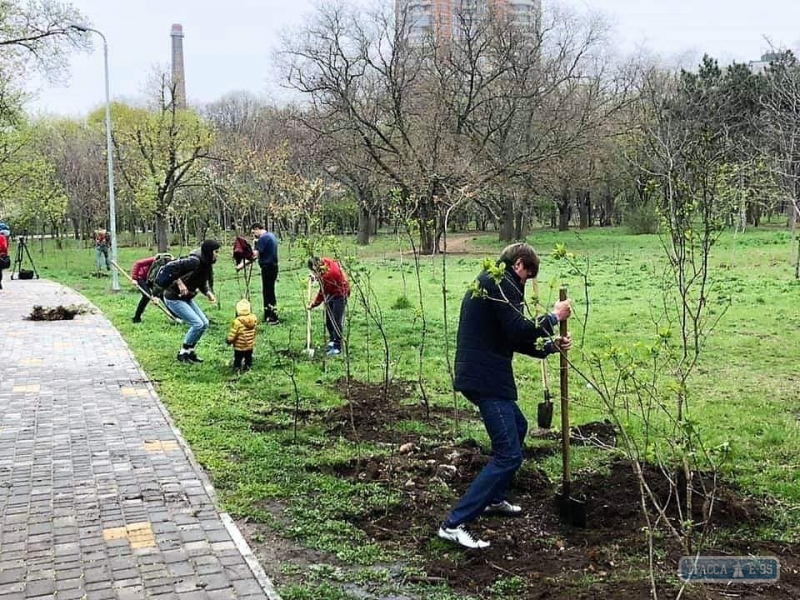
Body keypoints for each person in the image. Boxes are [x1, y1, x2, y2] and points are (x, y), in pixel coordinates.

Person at [437, 243, 573, 550]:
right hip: (485, 378)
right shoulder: (498, 283)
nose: (526, 284)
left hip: (485, 373)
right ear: (520, 265)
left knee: (519, 427)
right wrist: (553, 316)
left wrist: (550, 347)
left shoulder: (495, 281)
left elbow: (512, 336)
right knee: (508, 454)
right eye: (528, 277)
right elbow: (518, 330)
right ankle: (454, 523)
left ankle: (494, 499)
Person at [159, 240, 220, 363]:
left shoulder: (206, 263)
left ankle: (190, 351)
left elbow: (201, 280)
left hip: (186, 297)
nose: (217, 255)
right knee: (197, 324)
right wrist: (180, 283)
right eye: (216, 252)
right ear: (209, 251)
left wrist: (207, 293)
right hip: (173, 296)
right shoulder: (194, 261)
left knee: (205, 323)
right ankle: (182, 353)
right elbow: (170, 266)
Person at [307, 256, 350, 356]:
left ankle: (337, 347)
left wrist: (313, 305)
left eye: (314, 271)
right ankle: (332, 340)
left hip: (340, 293)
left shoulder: (327, 276)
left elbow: (322, 293)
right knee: (329, 320)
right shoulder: (325, 261)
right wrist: (316, 277)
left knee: (336, 321)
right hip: (332, 292)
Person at [245, 223, 279, 324]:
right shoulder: (271, 236)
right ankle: (269, 315)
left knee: (267, 293)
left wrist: (241, 265)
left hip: (267, 268)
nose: (253, 235)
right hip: (273, 267)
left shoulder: (263, 238)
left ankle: (272, 316)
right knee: (270, 292)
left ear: (257, 229)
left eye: (253, 232)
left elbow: (254, 255)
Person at [130, 253, 173, 323]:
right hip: (141, 277)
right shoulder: (154, 260)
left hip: (152, 279)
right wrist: (134, 278)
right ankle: (136, 318)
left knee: (164, 295)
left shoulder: (169, 267)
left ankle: (174, 315)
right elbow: (138, 263)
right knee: (146, 296)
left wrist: (157, 296)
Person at [226, 299, 258, 372]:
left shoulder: (237, 322)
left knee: (238, 358)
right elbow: (255, 331)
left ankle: (237, 368)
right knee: (248, 357)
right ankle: (248, 367)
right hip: (250, 345)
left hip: (239, 347)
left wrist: (229, 340)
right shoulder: (254, 319)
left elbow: (233, 334)